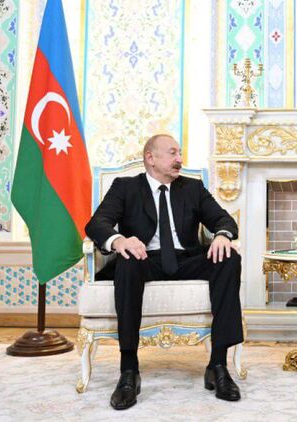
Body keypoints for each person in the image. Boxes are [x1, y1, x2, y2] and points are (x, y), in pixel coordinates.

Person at [86, 134, 243, 410]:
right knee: (127, 261)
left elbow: (224, 219)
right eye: (172, 153)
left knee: (229, 257)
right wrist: (119, 241)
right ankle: (129, 371)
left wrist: (221, 235)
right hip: (145, 259)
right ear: (151, 158)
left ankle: (218, 365)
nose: (179, 159)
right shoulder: (125, 187)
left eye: (179, 153)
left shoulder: (192, 188)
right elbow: (97, 223)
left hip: (186, 259)